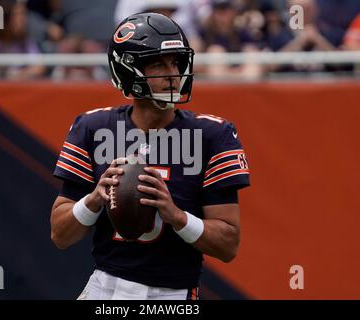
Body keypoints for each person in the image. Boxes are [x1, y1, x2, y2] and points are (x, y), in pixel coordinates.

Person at [50, 12, 250, 300]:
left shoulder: (212, 135)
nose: (173, 74)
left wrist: (177, 217)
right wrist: (94, 199)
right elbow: (60, 234)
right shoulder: (93, 128)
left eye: (176, 62)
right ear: (128, 71)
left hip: (171, 296)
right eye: (159, 64)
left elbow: (228, 246)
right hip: (104, 288)